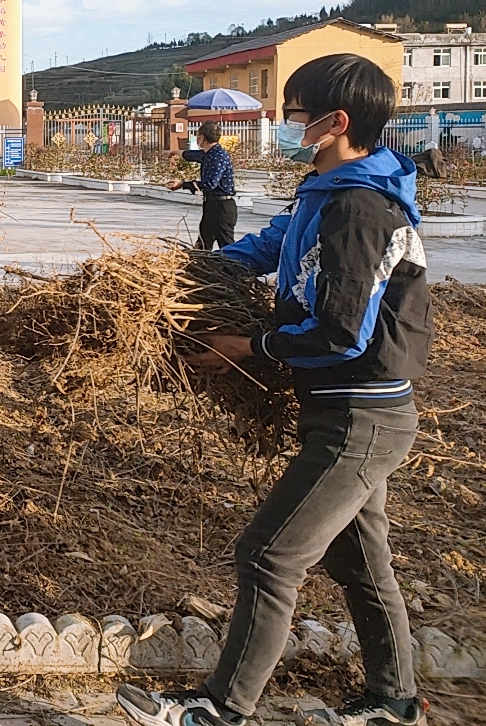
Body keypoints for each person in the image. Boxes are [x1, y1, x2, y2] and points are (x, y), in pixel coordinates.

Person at [117, 54, 430, 726]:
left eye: (294, 114)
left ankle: (220, 709)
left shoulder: (361, 209)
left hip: (361, 415)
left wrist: (248, 348)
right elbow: (266, 249)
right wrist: (179, 278)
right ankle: (395, 703)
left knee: (268, 555)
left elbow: (341, 333)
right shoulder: (323, 191)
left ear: (335, 122)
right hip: (344, 410)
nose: (285, 125)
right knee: (361, 561)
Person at [166, 122, 237, 250]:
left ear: (202, 138)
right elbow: (190, 155)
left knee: (227, 246)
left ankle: (235, 263)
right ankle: (200, 261)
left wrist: (183, 184)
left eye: (197, 136)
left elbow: (209, 184)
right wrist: (174, 152)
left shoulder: (218, 157)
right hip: (211, 206)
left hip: (222, 208)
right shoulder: (208, 154)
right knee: (203, 243)